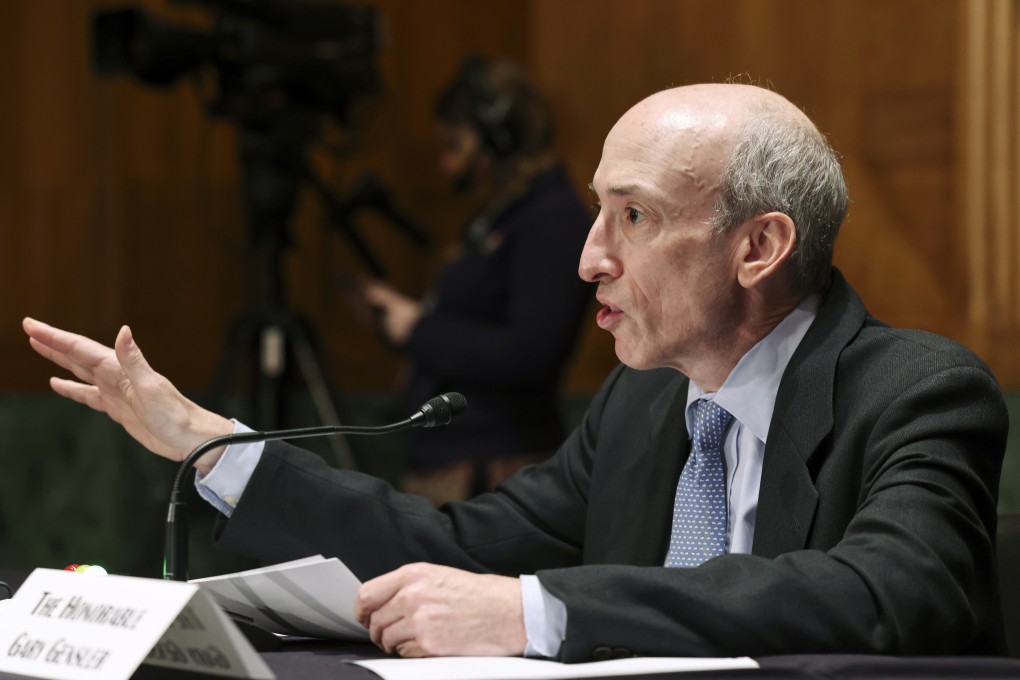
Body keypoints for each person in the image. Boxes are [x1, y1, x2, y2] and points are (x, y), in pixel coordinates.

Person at [23, 82, 1008, 661]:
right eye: (595, 210)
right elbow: (459, 540)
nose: (589, 258)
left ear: (757, 247)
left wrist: (540, 611)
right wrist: (210, 445)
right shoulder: (644, 401)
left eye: (633, 214)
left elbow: (889, 592)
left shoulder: (916, 391)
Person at [353, 56, 592, 504]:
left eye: (454, 145)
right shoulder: (501, 214)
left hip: (496, 465)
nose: (446, 166)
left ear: (498, 138)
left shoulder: (551, 220)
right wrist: (410, 322)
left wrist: (418, 328)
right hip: (455, 455)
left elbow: (531, 353)